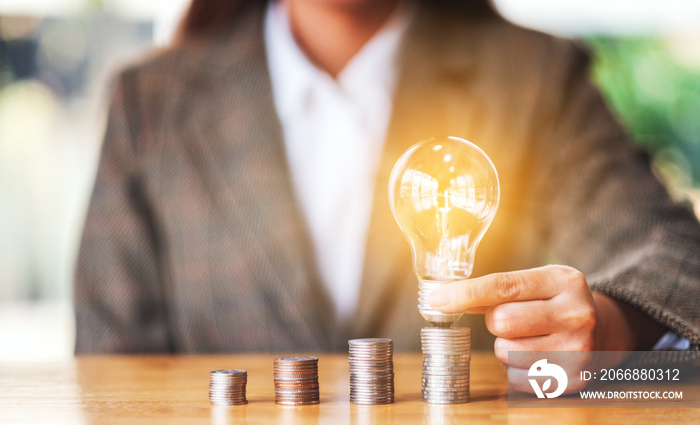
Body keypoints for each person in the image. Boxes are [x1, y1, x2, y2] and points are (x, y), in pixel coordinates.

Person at [75, 0, 700, 377]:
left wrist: (617, 327)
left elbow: (674, 256)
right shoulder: (151, 104)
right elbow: (107, 366)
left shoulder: (534, 81)